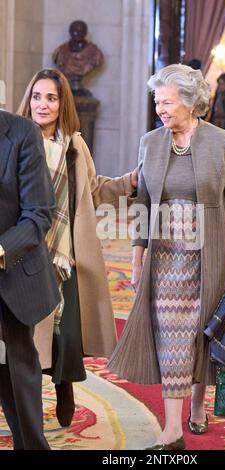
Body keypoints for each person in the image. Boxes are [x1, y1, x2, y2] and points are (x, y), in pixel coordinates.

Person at [108, 64, 225, 449]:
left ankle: (199, 404)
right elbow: (141, 205)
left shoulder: (223, 143)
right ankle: (172, 427)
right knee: (172, 336)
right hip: (164, 257)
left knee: (203, 332)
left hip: (211, 255)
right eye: (157, 101)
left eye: (167, 101)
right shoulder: (150, 142)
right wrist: (137, 261)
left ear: (190, 102)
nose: (160, 108)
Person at [17, 68, 138, 428]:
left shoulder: (74, 145)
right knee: (25, 333)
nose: (43, 104)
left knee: (65, 331)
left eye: (51, 98)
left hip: (66, 253)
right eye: (37, 96)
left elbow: (95, 189)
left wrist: (130, 182)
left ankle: (65, 384)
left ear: (62, 103)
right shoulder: (14, 140)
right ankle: (28, 403)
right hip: (25, 252)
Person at [0, 110, 60, 449]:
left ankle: (33, 445)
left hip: (14, 270)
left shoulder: (22, 133)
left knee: (18, 368)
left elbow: (39, 213)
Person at [53, 20, 103, 85]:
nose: (77, 34)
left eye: (81, 31)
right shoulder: (60, 51)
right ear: (70, 32)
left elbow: (97, 61)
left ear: (85, 33)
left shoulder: (95, 52)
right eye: (75, 31)